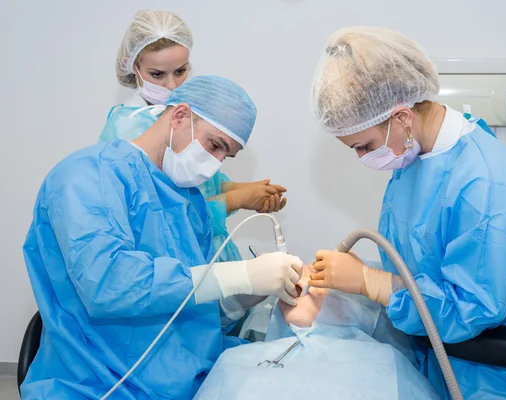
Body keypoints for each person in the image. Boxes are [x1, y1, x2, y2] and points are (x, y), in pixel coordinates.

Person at [307, 27, 506, 399]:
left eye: (363, 146)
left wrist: (369, 281)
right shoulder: (418, 163)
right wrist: (351, 282)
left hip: (504, 382)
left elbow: (470, 309)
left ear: (401, 118)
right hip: (443, 368)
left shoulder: (490, 189)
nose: (363, 159)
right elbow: (422, 270)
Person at [21, 75, 303, 399]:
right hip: (96, 382)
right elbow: (108, 285)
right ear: (180, 116)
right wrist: (234, 275)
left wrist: (242, 296)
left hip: (184, 379)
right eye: (214, 145)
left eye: (227, 155)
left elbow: (189, 308)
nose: (215, 165)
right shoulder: (85, 177)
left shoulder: (189, 204)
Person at [100, 9, 286, 263]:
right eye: (157, 74)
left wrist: (248, 190)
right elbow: (168, 220)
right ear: (133, 66)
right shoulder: (129, 132)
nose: (172, 85)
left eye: (180, 71)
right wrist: (237, 199)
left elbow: (205, 183)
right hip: (175, 265)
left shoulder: (186, 114)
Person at [193, 263, 440, 400]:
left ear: (354, 305)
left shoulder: (389, 364)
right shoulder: (234, 358)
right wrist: (233, 302)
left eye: (319, 277)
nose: (301, 278)